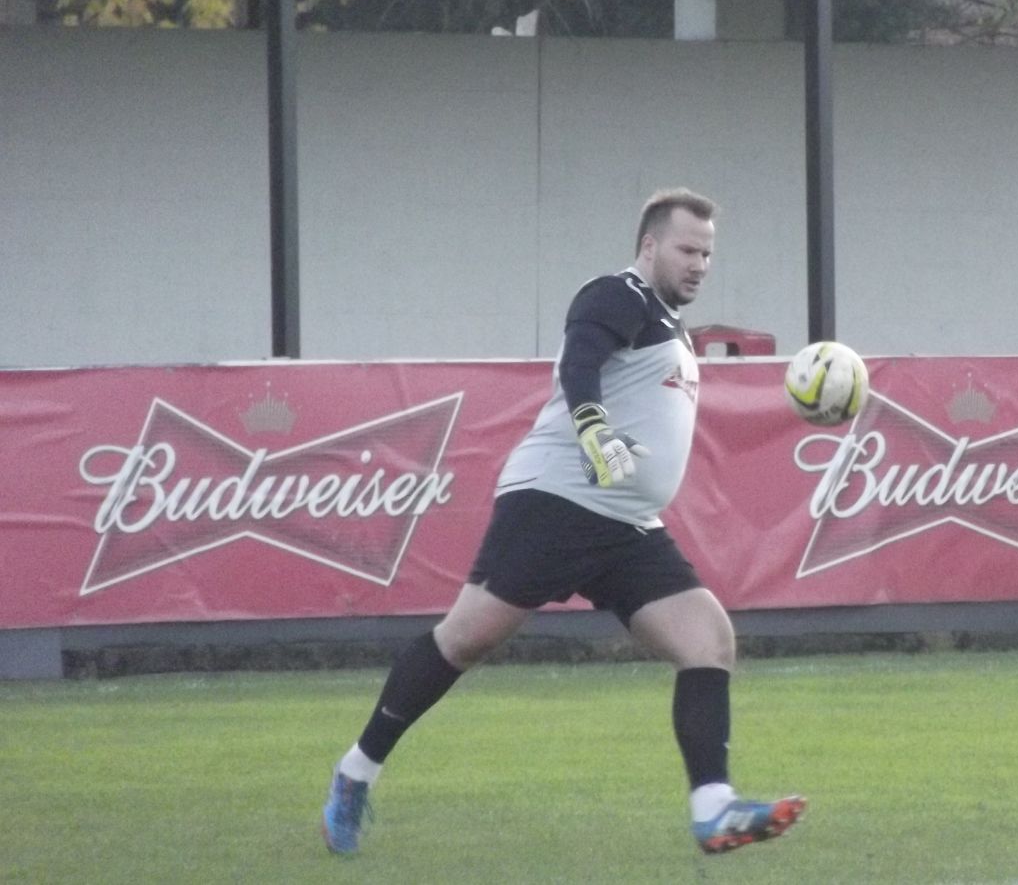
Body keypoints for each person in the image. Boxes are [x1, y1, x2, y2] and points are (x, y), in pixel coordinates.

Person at [321, 188, 805, 857]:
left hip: (627, 521)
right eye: (687, 248)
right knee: (465, 641)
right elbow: (582, 356)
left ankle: (713, 808)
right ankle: (355, 773)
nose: (699, 263)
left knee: (708, 638)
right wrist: (590, 423)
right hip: (557, 501)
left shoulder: (668, 326)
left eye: (708, 254)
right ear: (649, 246)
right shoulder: (620, 295)